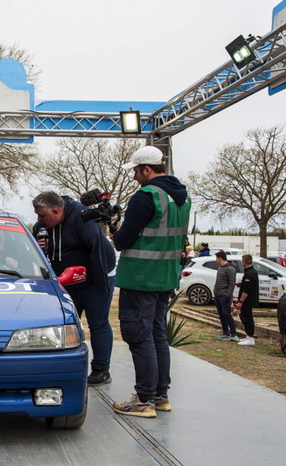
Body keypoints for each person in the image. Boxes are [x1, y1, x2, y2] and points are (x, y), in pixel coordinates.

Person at [111, 146, 191, 418]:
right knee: (157, 335)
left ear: (147, 169)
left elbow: (123, 240)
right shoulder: (182, 198)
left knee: (138, 336)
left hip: (141, 277)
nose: (134, 176)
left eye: (135, 171)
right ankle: (160, 395)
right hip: (165, 277)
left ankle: (144, 401)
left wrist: (115, 232)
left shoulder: (146, 196)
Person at [32, 191, 116, 386]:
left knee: (98, 323)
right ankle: (60, 367)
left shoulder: (82, 217)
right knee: (63, 324)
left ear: (56, 211)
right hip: (66, 280)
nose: (39, 220)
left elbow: (97, 248)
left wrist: (100, 283)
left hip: (96, 276)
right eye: (37, 215)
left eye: (42, 215)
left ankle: (101, 370)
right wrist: (38, 247)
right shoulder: (40, 227)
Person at [214, 250, 238, 341]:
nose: (216, 260)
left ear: (220, 258)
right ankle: (225, 332)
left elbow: (232, 283)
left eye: (216, 258)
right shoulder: (220, 268)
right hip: (218, 294)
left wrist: (228, 294)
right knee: (221, 314)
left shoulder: (230, 269)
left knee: (227, 314)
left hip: (224, 295)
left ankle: (234, 333)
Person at [234, 254, 259, 346]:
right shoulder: (251, 272)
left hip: (248, 300)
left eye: (242, 261)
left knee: (247, 318)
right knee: (245, 317)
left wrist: (240, 302)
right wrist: (242, 284)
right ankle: (248, 336)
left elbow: (246, 290)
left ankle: (250, 338)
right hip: (249, 299)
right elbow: (248, 285)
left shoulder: (249, 273)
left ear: (244, 262)